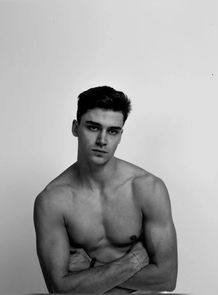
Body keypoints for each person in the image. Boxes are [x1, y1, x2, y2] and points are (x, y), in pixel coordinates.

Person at [34, 86, 178, 294]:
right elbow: (59, 288)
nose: (102, 140)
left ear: (120, 134)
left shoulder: (148, 188)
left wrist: (89, 268)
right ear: (75, 128)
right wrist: (133, 261)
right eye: (93, 127)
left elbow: (166, 279)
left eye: (112, 131)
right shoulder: (52, 201)